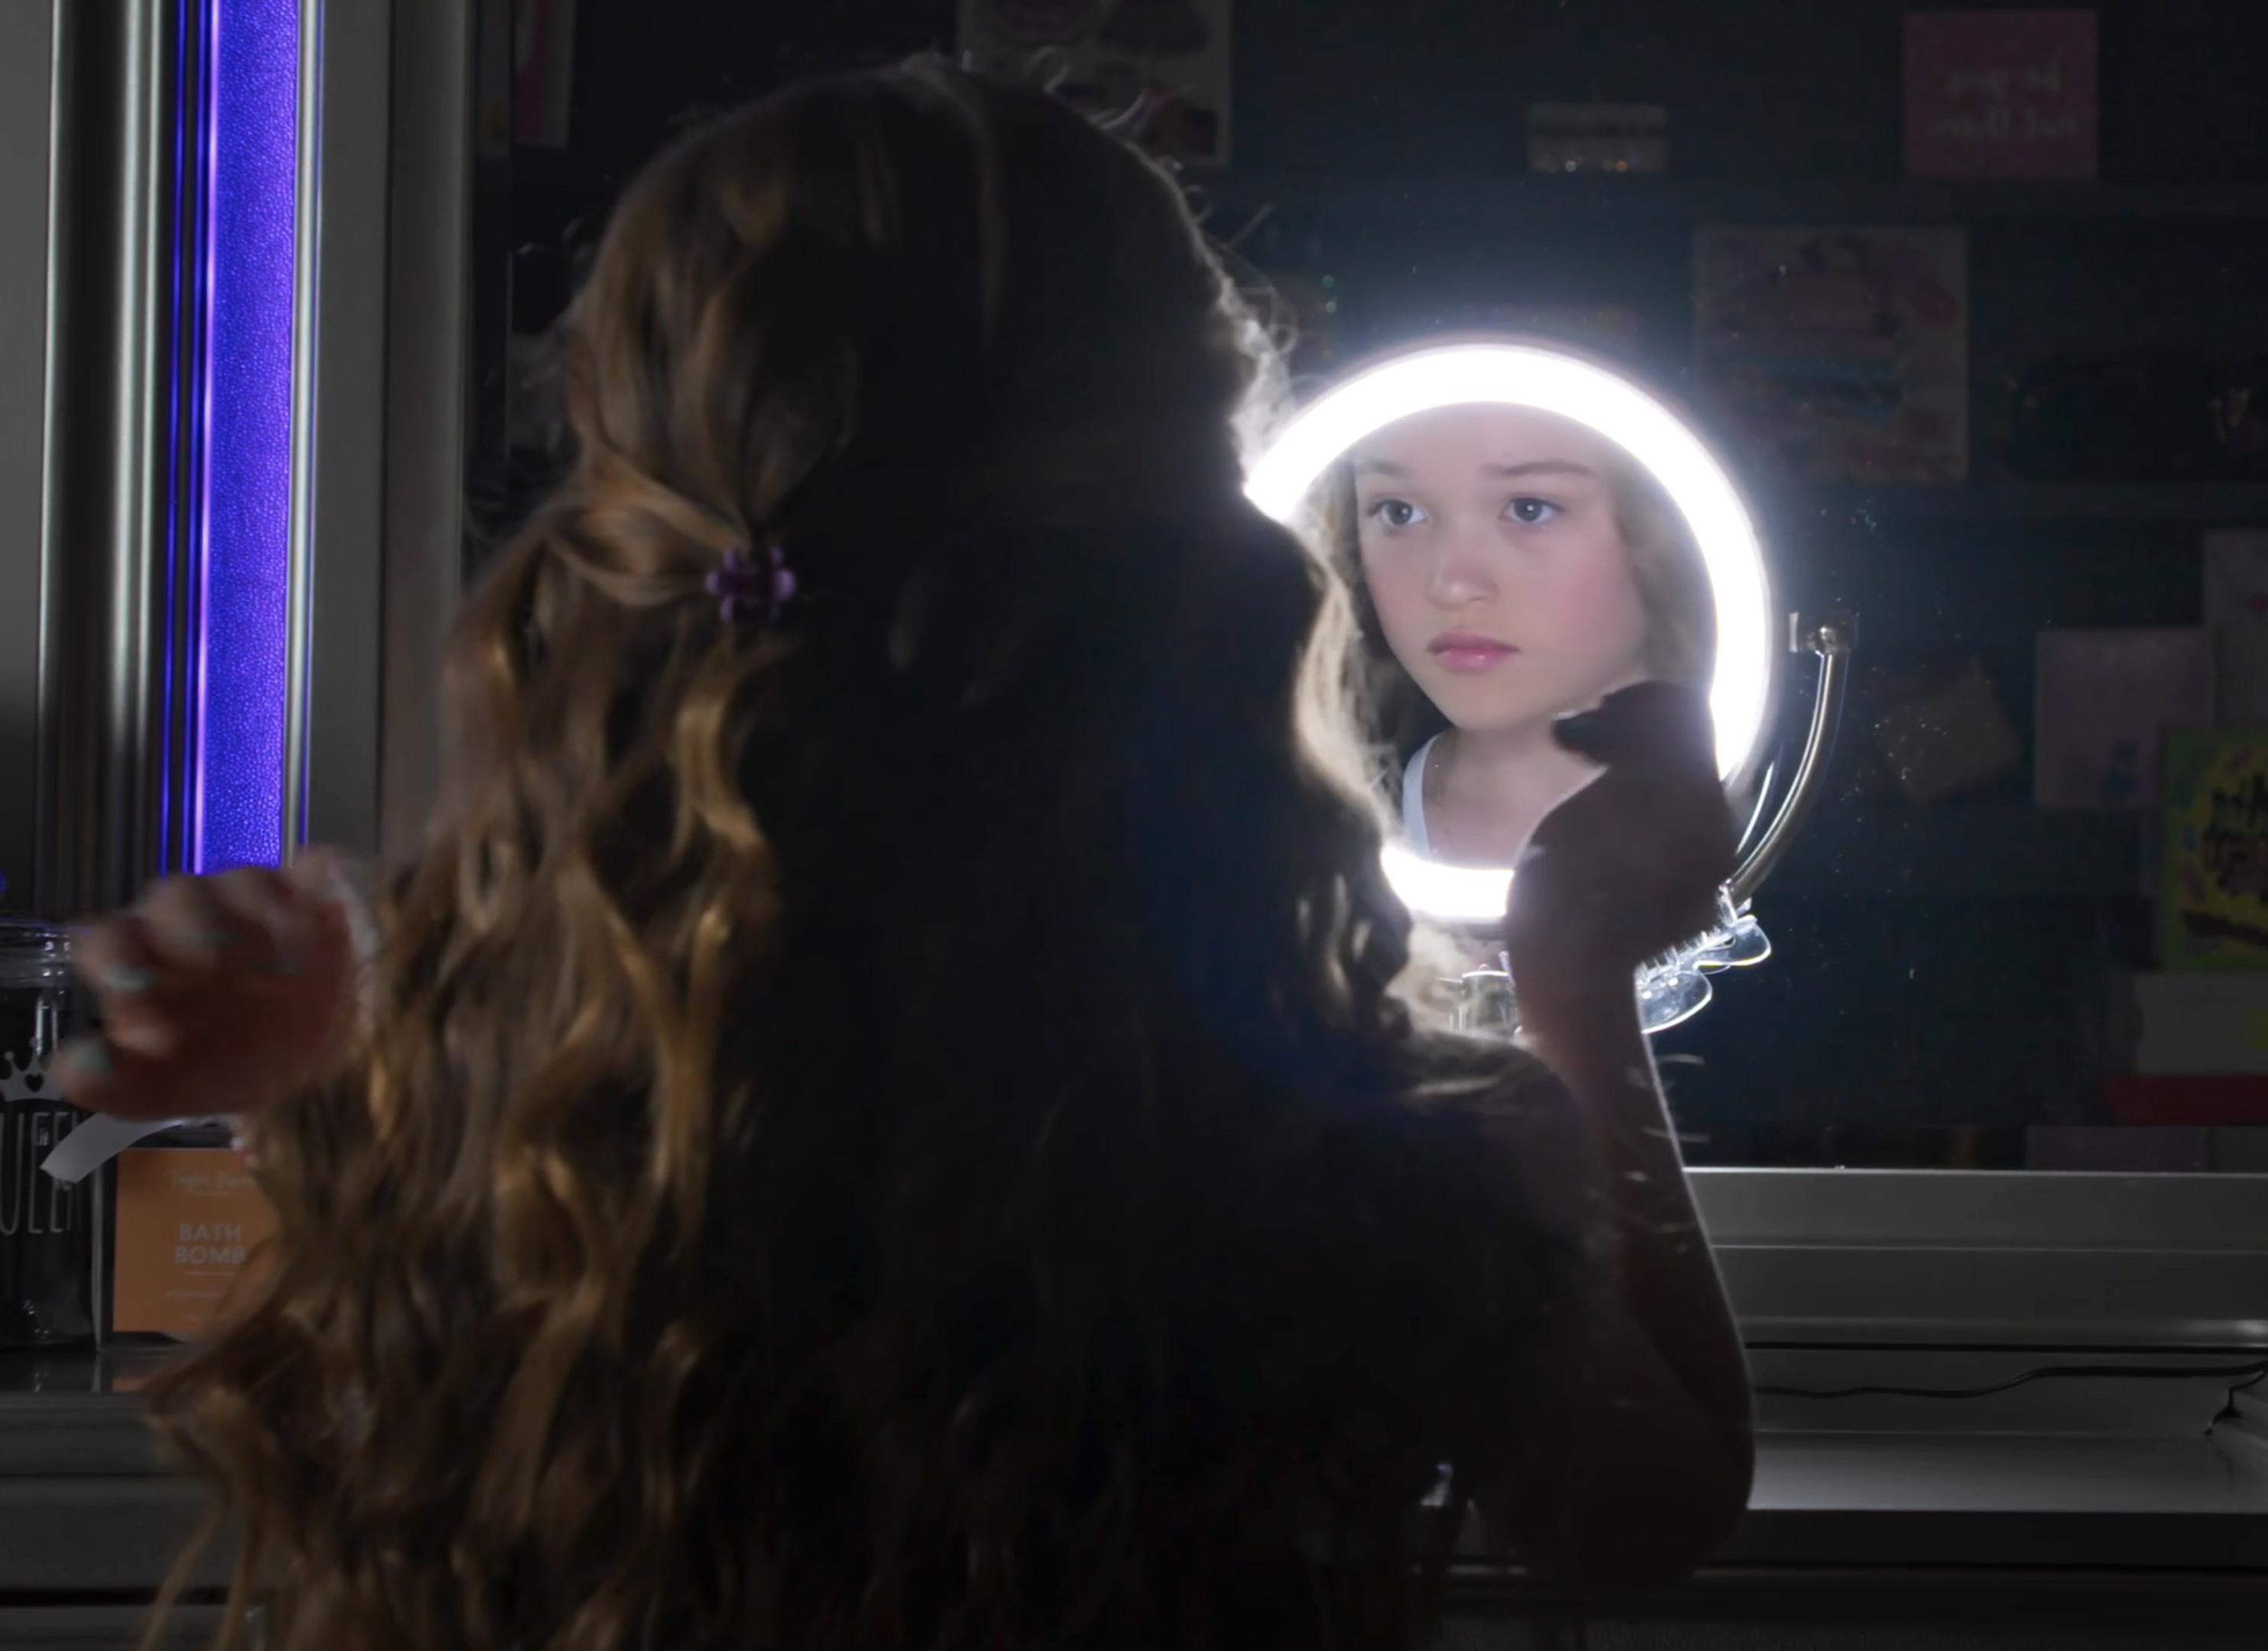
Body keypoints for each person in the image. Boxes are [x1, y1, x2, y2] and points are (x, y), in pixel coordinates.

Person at [49, 60, 1750, 1651]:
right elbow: (1647, 1514)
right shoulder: (1364, 1138)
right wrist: (1575, 974)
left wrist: (326, 1093)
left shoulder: (527, 1088)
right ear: (1212, 553)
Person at [1326, 403, 1718, 871]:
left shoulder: (1784, 842)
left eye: (1529, 509)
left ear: (1664, 532)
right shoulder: (1313, 847)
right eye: (1399, 511)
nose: (1450, 586)